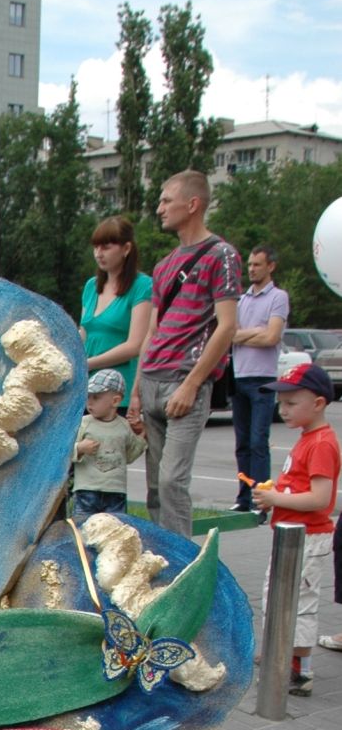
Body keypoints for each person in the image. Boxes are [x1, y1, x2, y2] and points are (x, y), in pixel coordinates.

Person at [127, 172, 241, 537]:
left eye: (165, 200)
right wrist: (135, 390)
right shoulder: (164, 265)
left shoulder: (221, 256)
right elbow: (152, 332)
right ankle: (161, 558)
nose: (159, 208)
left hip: (185, 380)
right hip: (153, 379)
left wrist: (192, 384)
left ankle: (183, 565)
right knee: (155, 487)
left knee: (174, 480)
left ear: (191, 205)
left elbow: (227, 326)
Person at [252, 361, 339, 697]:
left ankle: (298, 670)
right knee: (278, 596)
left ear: (317, 403)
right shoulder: (307, 438)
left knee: (297, 601)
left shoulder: (322, 443)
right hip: (290, 534)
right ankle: (280, 652)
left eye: (291, 403)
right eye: (281, 403)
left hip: (308, 537)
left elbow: (320, 498)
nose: (282, 410)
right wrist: (275, 498)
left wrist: (276, 497)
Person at [230, 244, 290, 515]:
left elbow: (271, 337)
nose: (252, 270)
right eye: (250, 265)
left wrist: (244, 334)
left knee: (258, 441)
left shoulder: (278, 297)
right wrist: (252, 332)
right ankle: (244, 497)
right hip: (239, 376)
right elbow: (229, 333)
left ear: (271, 267)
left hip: (263, 378)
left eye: (257, 265)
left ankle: (261, 500)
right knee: (242, 443)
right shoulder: (241, 301)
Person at [79, 215, 153, 395]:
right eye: (95, 247)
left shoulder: (142, 286)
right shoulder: (91, 286)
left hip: (118, 388)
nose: (98, 253)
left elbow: (135, 345)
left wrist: (89, 363)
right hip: (86, 388)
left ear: (126, 248)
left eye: (106, 247)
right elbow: (83, 333)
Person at [71, 370, 145, 520]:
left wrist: (142, 435)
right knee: (82, 526)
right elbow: (65, 452)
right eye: (88, 397)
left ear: (115, 401)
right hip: (87, 489)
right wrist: (80, 448)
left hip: (115, 491)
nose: (90, 403)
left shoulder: (123, 426)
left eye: (96, 398)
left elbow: (129, 455)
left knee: (114, 528)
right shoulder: (83, 423)